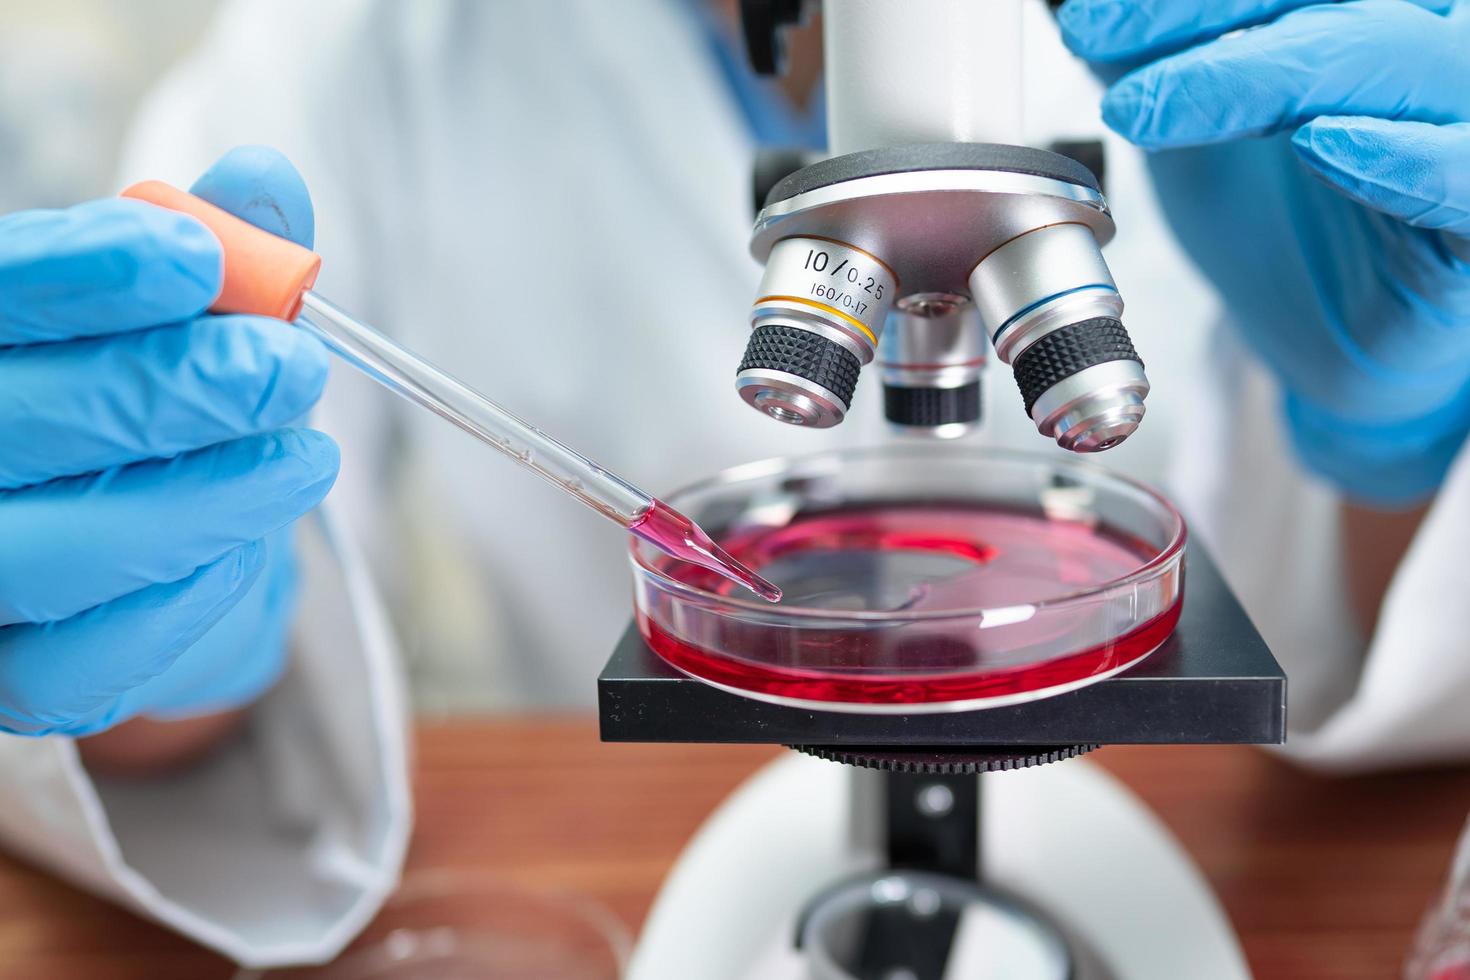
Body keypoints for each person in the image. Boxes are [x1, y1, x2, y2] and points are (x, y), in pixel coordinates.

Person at [0, 0, 1467, 966]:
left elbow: (1412, 648)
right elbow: (142, 521)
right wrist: (174, 647)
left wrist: (1399, 439)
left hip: (1268, 836)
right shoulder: (362, 50)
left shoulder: (1292, 33)